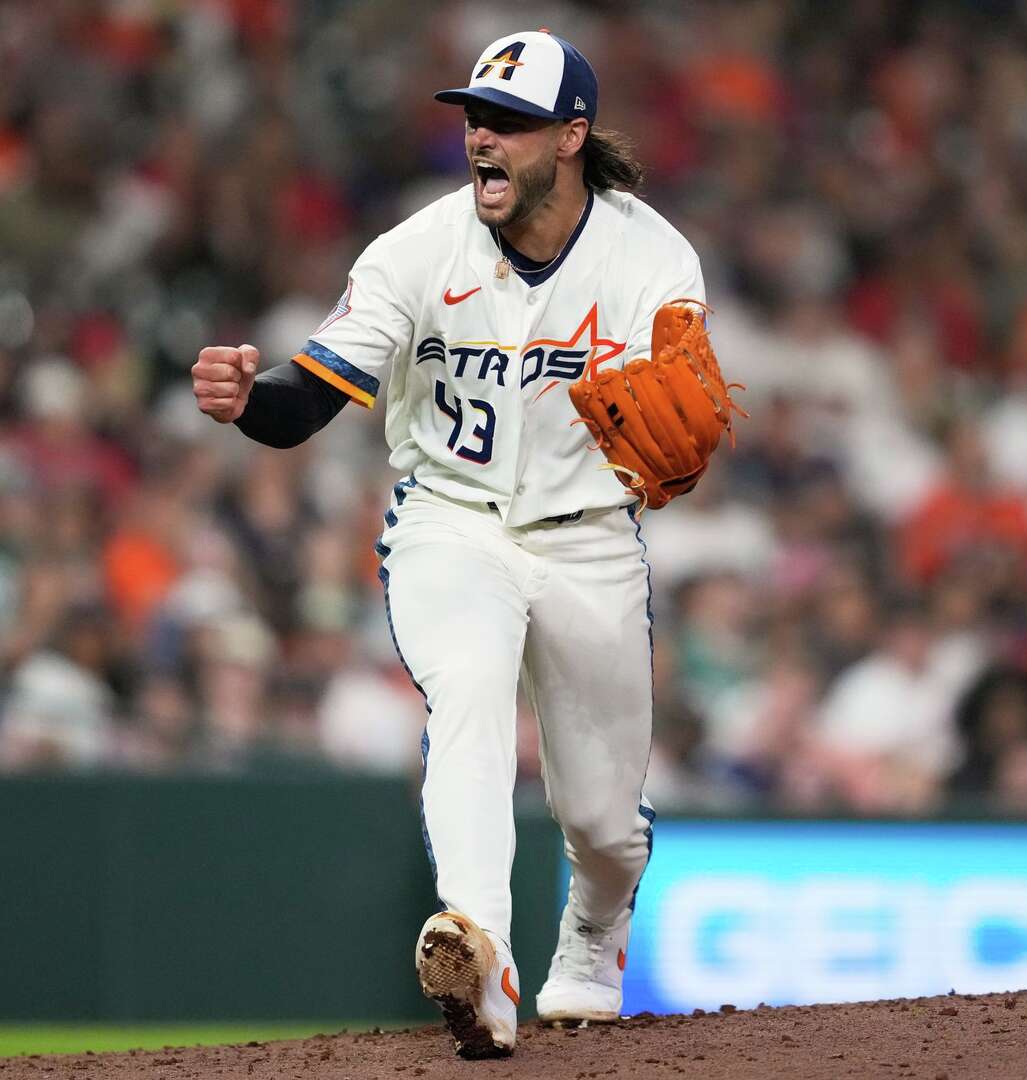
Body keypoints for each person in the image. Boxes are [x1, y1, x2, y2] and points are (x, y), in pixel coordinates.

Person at [191, 29, 705, 1059]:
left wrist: (680, 442)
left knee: (602, 823)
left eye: (508, 122)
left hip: (590, 541)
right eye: (475, 117)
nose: (481, 138)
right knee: (467, 692)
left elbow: (684, 425)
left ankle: (594, 930)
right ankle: (481, 949)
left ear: (571, 136)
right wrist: (252, 402)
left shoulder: (652, 257)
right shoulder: (416, 249)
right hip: (451, 520)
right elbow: (309, 397)